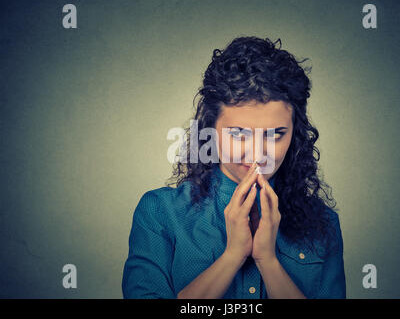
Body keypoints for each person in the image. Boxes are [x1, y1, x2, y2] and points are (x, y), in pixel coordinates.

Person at [122, 36, 346, 299]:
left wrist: (268, 262)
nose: (257, 153)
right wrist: (232, 257)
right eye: (239, 133)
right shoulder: (160, 213)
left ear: (294, 134)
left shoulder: (325, 224)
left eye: (275, 134)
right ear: (211, 129)